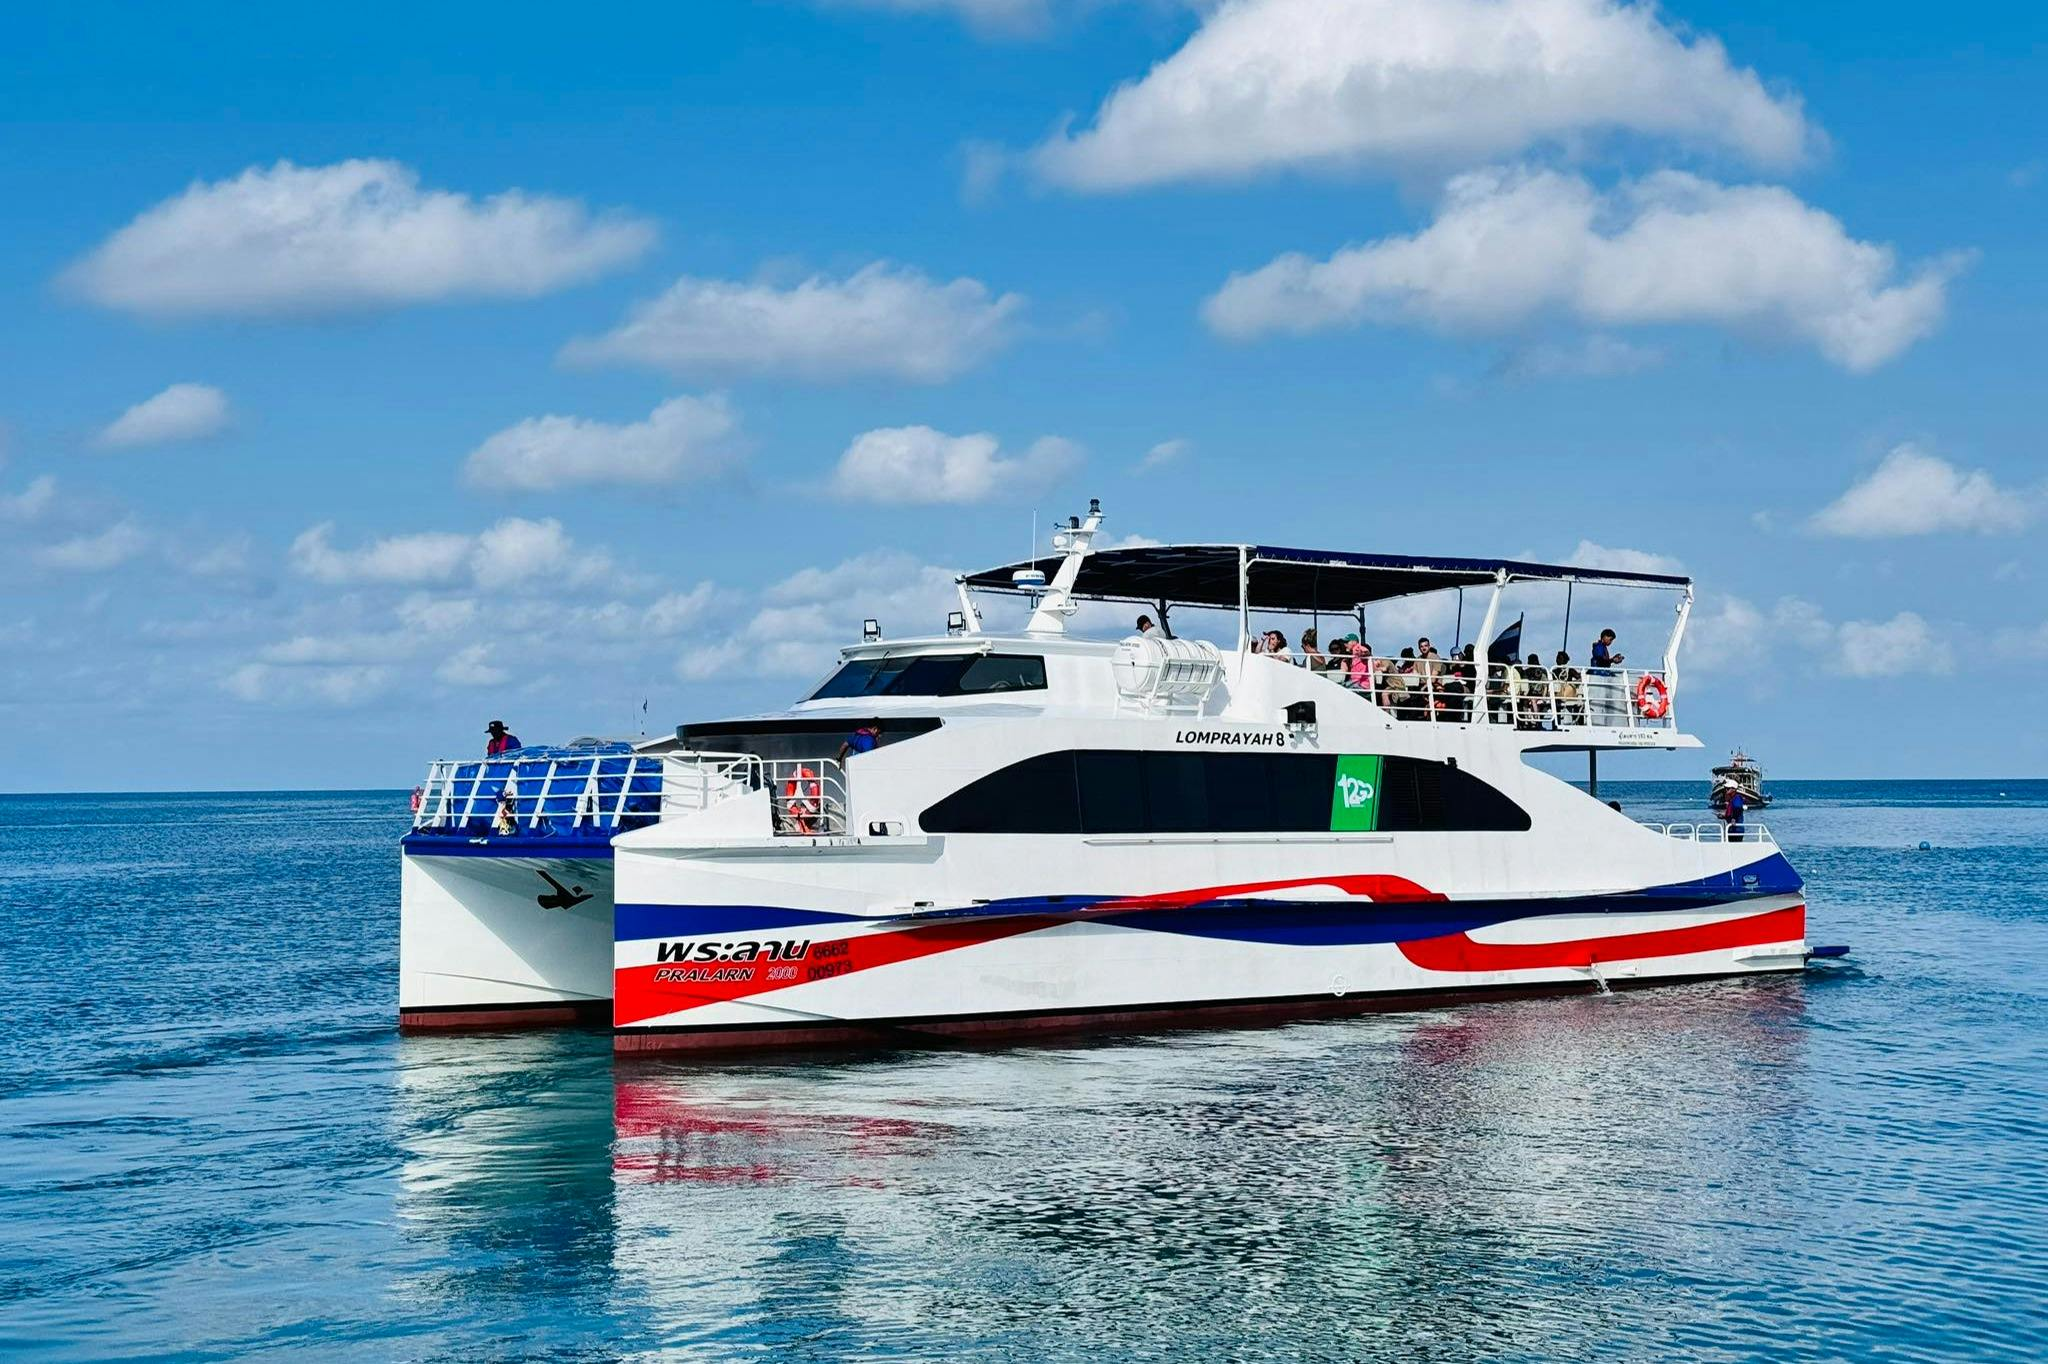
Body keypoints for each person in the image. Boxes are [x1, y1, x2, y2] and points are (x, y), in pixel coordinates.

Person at [1589, 629, 1625, 724]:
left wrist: (1612, 660)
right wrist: (1612, 660)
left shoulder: (1602, 647)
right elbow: (1600, 660)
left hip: (1601, 673)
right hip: (1598, 674)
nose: (1611, 642)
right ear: (1604, 637)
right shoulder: (1599, 647)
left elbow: (1604, 661)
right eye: (1610, 639)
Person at [1551, 651, 1583, 725]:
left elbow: (1578, 677)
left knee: (1576, 704)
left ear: (1565, 660)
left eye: (1559, 658)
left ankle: (1577, 722)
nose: (1557, 660)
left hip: (1567, 694)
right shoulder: (1554, 671)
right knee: (1555, 705)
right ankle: (1556, 724)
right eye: (1557, 658)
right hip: (1559, 695)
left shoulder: (1569, 670)